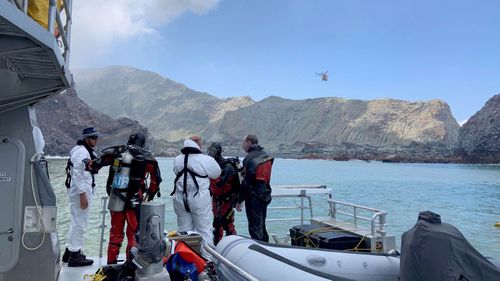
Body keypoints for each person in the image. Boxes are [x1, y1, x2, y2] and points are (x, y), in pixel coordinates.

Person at [98, 133, 162, 264]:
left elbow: (95, 164)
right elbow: (156, 180)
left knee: (115, 233)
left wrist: (88, 164)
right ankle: (130, 265)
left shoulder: (118, 153)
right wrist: (149, 196)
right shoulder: (146, 157)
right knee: (133, 233)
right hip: (134, 201)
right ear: (143, 143)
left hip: (116, 198)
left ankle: (111, 263)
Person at [172, 135, 221, 255]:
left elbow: (175, 171)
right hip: (199, 198)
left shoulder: (177, 159)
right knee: (204, 230)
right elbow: (216, 173)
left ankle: (185, 261)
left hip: (180, 199)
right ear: (199, 144)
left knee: (184, 231)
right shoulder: (205, 159)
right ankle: (207, 262)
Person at [62, 127, 99, 267]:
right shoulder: (82, 152)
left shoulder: (79, 149)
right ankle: (75, 256)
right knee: (80, 223)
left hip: (78, 190)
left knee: (75, 221)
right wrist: (82, 195)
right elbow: (78, 174)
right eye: (93, 137)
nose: (95, 140)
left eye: (96, 137)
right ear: (86, 139)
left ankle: (69, 251)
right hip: (80, 192)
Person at [236, 134, 274, 242]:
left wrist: (239, 200)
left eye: (243, 143)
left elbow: (247, 182)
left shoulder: (249, 158)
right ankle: (266, 245)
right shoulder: (266, 156)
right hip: (265, 194)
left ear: (249, 142)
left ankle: (259, 247)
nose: (243, 146)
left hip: (253, 196)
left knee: (254, 226)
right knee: (262, 223)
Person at [207, 142, 241, 245]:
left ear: (218, 152)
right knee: (217, 224)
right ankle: (217, 246)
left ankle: (233, 246)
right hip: (216, 199)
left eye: (212, 151)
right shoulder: (212, 165)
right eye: (209, 151)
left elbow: (220, 183)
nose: (210, 154)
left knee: (228, 224)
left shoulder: (227, 166)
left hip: (227, 200)